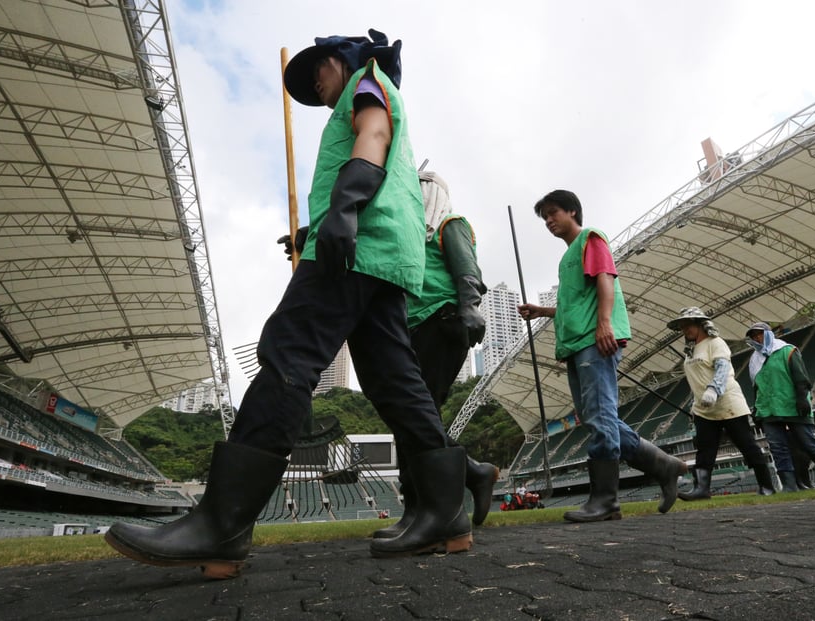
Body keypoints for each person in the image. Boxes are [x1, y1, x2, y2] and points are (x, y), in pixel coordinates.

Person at [105, 30, 471, 578]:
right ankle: (446, 513)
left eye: (317, 73)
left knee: (288, 355)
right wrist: (315, 227)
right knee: (396, 382)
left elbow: (372, 135)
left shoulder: (368, 84)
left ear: (338, 61)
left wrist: (345, 206)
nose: (315, 86)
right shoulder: (372, 92)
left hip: (356, 246)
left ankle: (221, 526)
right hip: (389, 257)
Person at [282, 171, 500, 534]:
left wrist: (470, 304)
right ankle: (459, 482)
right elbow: (366, 238)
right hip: (409, 327)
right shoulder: (405, 235)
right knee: (409, 419)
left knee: (416, 413)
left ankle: (429, 507)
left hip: (441, 320)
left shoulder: (449, 224)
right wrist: (310, 236)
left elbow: (466, 267)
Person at [518, 190, 686, 522]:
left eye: (553, 213)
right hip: (576, 343)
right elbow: (573, 304)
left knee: (600, 416)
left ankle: (606, 501)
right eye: (544, 218)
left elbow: (605, 280)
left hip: (595, 341)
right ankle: (664, 465)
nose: (549, 221)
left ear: (572, 211)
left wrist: (605, 323)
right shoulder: (566, 259)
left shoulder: (590, 239)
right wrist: (541, 311)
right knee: (596, 416)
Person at [670, 308, 775, 500]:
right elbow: (697, 380)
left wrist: (713, 390)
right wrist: (696, 405)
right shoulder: (690, 352)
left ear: (700, 324)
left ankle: (766, 485)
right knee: (704, 450)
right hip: (704, 409)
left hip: (728, 404)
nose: (685, 330)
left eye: (688, 325)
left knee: (747, 445)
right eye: (682, 327)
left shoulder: (715, 343)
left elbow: (722, 368)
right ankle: (701, 489)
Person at [745, 322, 815, 491]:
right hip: (768, 409)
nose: (757, 338)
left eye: (759, 334)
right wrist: (757, 410)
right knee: (777, 447)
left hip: (793, 405)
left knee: (808, 443)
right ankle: (789, 485)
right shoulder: (754, 360)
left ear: (768, 334)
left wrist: (801, 398)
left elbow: (801, 376)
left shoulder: (787, 350)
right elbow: (757, 386)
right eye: (753, 336)